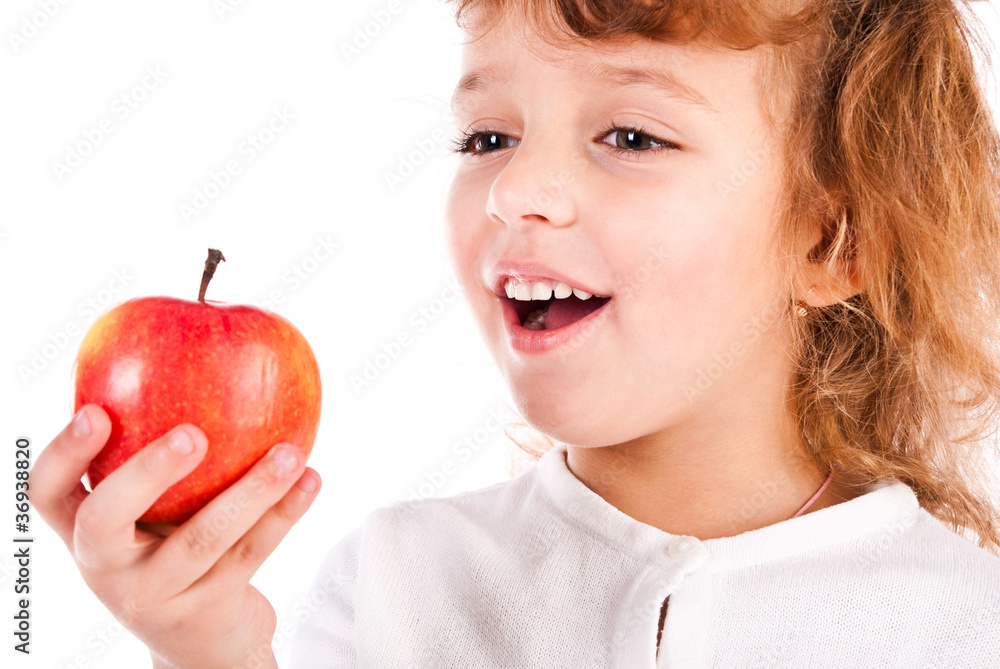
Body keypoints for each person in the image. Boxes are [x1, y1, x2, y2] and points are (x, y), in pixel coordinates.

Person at [32, 0, 1000, 667]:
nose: (515, 191)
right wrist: (206, 652)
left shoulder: (965, 629)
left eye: (631, 137)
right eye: (488, 137)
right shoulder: (391, 591)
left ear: (832, 240)